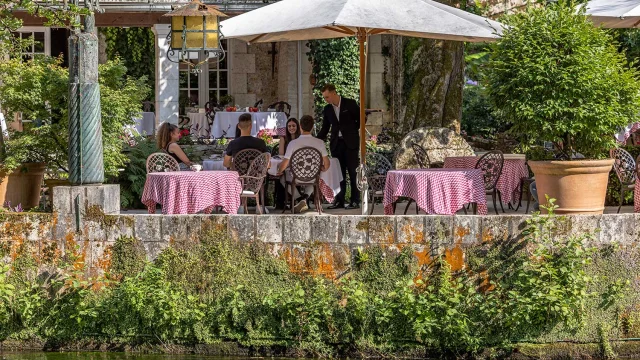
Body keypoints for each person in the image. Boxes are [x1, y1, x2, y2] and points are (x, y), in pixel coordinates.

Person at [316, 84, 361, 210]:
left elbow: (361, 119)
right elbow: (325, 128)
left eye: (327, 97)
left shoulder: (350, 103)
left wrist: (351, 131)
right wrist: (314, 141)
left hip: (351, 143)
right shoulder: (327, 109)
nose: (326, 100)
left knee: (353, 172)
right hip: (336, 144)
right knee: (339, 173)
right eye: (324, 98)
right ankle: (339, 201)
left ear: (334, 93)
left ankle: (355, 200)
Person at [277, 115, 330, 213]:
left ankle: (299, 199)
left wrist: (279, 170)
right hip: (312, 176)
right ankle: (305, 198)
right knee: (317, 176)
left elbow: (285, 163)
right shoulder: (320, 142)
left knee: (283, 179)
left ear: (300, 126)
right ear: (312, 126)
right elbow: (327, 164)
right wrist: (322, 168)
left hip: (296, 176)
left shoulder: (292, 143)